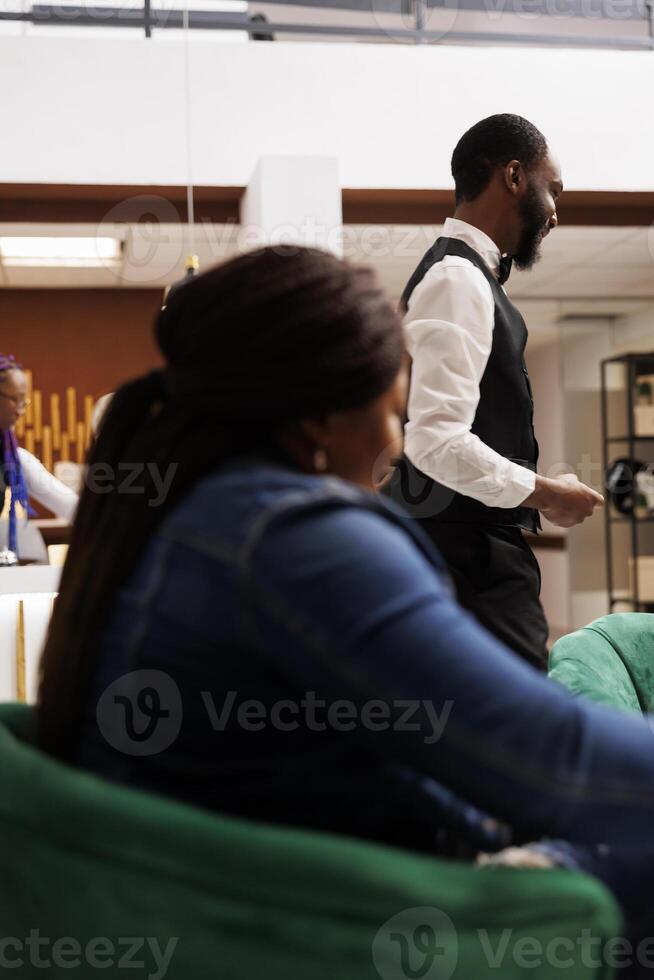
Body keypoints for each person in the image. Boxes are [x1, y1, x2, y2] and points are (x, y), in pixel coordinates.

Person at [37, 247, 654, 959]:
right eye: (394, 414)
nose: (397, 450)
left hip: (265, 901)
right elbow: (550, 759)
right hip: (359, 922)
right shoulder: (296, 539)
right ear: (322, 418)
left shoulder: (191, 519)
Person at [387, 114, 603, 669]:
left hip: (467, 555)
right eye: (552, 190)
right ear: (513, 177)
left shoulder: (467, 276)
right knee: (519, 737)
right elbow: (434, 441)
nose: (556, 212)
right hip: (466, 563)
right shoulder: (457, 279)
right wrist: (547, 493)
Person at [0, 354, 78, 559]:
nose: (21, 411)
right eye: (15, 399)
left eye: (23, 401)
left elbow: (71, 506)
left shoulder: (15, 460)